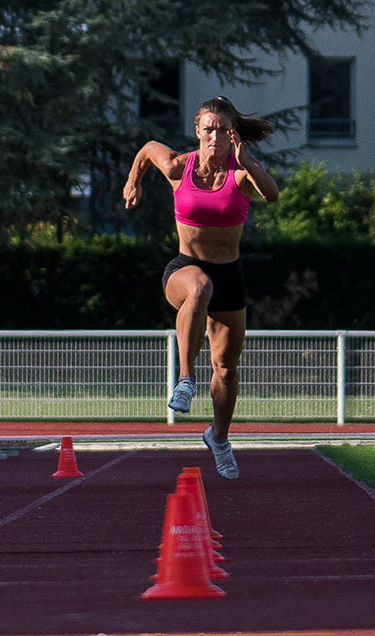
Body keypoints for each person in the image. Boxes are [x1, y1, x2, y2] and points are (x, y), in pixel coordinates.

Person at [123, 95, 278, 480]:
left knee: (226, 369)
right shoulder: (178, 166)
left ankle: (219, 438)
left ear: (232, 135)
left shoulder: (240, 173)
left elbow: (272, 193)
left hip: (230, 275)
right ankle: (185, 379)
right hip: (185, 268)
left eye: (222, 130)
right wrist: (133, 181)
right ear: (197, 132)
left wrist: (249, 164)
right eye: (207, 130)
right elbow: (145, 150)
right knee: (199, 286)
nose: (213, 137)